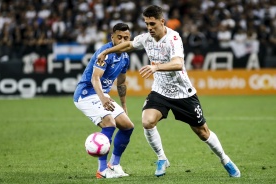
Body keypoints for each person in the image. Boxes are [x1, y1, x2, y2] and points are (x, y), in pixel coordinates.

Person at [97, 5, 241, 178]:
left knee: (203, 132)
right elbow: (128, 45)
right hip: (160, 91)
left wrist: (155, 67)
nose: (149, 28)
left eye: (152, 24)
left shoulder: (173, 38)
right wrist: (106, 51)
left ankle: (225, 159)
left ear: (162, 21)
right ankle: (162, 158)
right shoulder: (146, 39)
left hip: (183, 93)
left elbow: (178, 64)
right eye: (146, 24)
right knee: (147, 121)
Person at [73, 23, 134, 179]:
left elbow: (121, 83)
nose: (122, 40)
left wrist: (124, 105)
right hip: (87, 94)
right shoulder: (104, 53)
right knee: (109, 122)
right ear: (112, 36)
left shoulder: (125, 57)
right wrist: (102, 98)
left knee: (127, 126)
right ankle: (101, 170)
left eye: (126, 38)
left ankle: (114, 164)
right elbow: (95, 78)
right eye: (119, 37)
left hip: (102, 95)